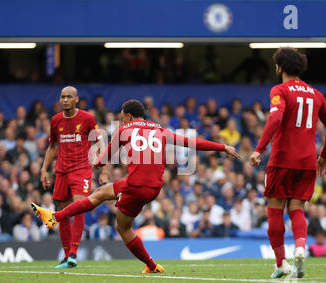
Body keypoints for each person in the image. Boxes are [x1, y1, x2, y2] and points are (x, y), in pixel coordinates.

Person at [32, 99, 240, 273]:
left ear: (129, 117)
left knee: (110, 211)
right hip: (153, 189)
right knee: (111, 207)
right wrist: (223, 147)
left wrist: (95, 162)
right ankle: (151, 266)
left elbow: (104, 159)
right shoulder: (160, 130)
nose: (121, 119)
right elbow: (190, 142)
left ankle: (55, 217)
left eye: (122, 116)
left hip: (135, 185)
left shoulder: (124, 130)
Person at [250, 47, 326, 279]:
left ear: (279, 68)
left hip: (282, 160)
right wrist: (325, 155)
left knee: (275, 210)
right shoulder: (315, 94)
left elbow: (276, 117)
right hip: (308, 161)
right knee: (297, 208)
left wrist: (259, 149)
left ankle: (281, 263)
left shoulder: (279, 90)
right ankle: (300, 247)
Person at [39, 86, 107, 269]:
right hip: (61, 170)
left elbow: (100, 142)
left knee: (78, 207)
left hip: (81, 169)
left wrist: (105, 170)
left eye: (69, 97)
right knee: (62, 210)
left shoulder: (87, 118)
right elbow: (52, 146)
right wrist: (44, 169)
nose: (65, 100)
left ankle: (74, 254)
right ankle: (66, 254)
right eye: (62, 97)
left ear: (76, 99)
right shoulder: (55, 120)